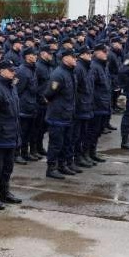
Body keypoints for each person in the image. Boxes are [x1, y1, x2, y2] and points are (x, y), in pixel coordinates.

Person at [0, 59, 23, 208]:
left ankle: (5, 192)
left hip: (12, 134)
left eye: (14, 70)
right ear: (1, 71)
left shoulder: (12, 86)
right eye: (10, 70)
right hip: (0, 136)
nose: (13, 72)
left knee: (8, 167)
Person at [44, 51, 77, 179]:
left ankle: (62, 165)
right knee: (56, 144)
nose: (75, 59)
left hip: (68, 114)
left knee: (66, 143)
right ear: (65, 59)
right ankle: (51, 168)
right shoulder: (58, 74)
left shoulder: (70, 72)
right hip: (57, 116)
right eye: (72, 57)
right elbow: (48, 94)